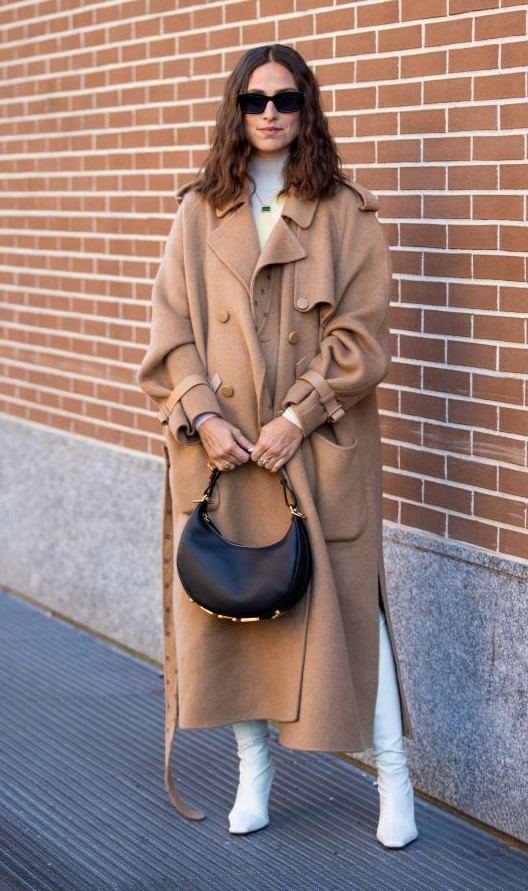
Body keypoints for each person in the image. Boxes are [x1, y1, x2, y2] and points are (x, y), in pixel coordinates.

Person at [138, 43, 417, 849]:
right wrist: (203, 415)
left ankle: (394, 781)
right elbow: (171, 333)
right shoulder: (196, 211)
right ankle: (253, 774)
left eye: (285, 99)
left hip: (315, 452)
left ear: (307, 109)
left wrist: (297, 414)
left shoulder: (345, 213)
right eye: (254, 100)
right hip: (226, 458)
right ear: (236, 109)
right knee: (238, 619)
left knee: (352, 622)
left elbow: (363, 339)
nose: (269, 114)